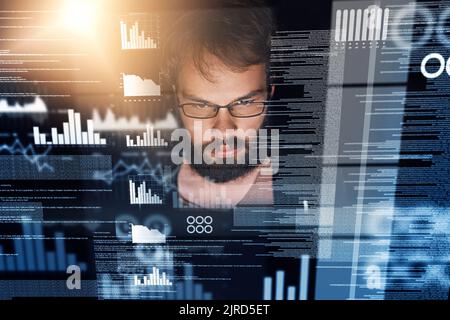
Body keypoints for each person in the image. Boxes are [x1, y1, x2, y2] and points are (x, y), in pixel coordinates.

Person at [163, 0, 277, 208]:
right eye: (200, 105)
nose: (223, 130)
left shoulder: (313, 190)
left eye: (244, 102)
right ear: (175, 98)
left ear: (270, 94)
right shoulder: (132, 181)